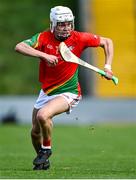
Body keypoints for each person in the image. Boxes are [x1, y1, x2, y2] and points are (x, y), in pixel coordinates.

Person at [15, 6, 114, 170]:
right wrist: (43, 55)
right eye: (61, 24)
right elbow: (19, 46)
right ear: (53, 24)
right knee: (34, 132)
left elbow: (107, 42)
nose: (66, 27)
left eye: (69, 23)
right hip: (46, 91)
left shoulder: (79, 38)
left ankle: (46, 150)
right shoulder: (43, 38)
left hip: (70, 92)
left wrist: (108, 66)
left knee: (43, 115)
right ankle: (43, 159)